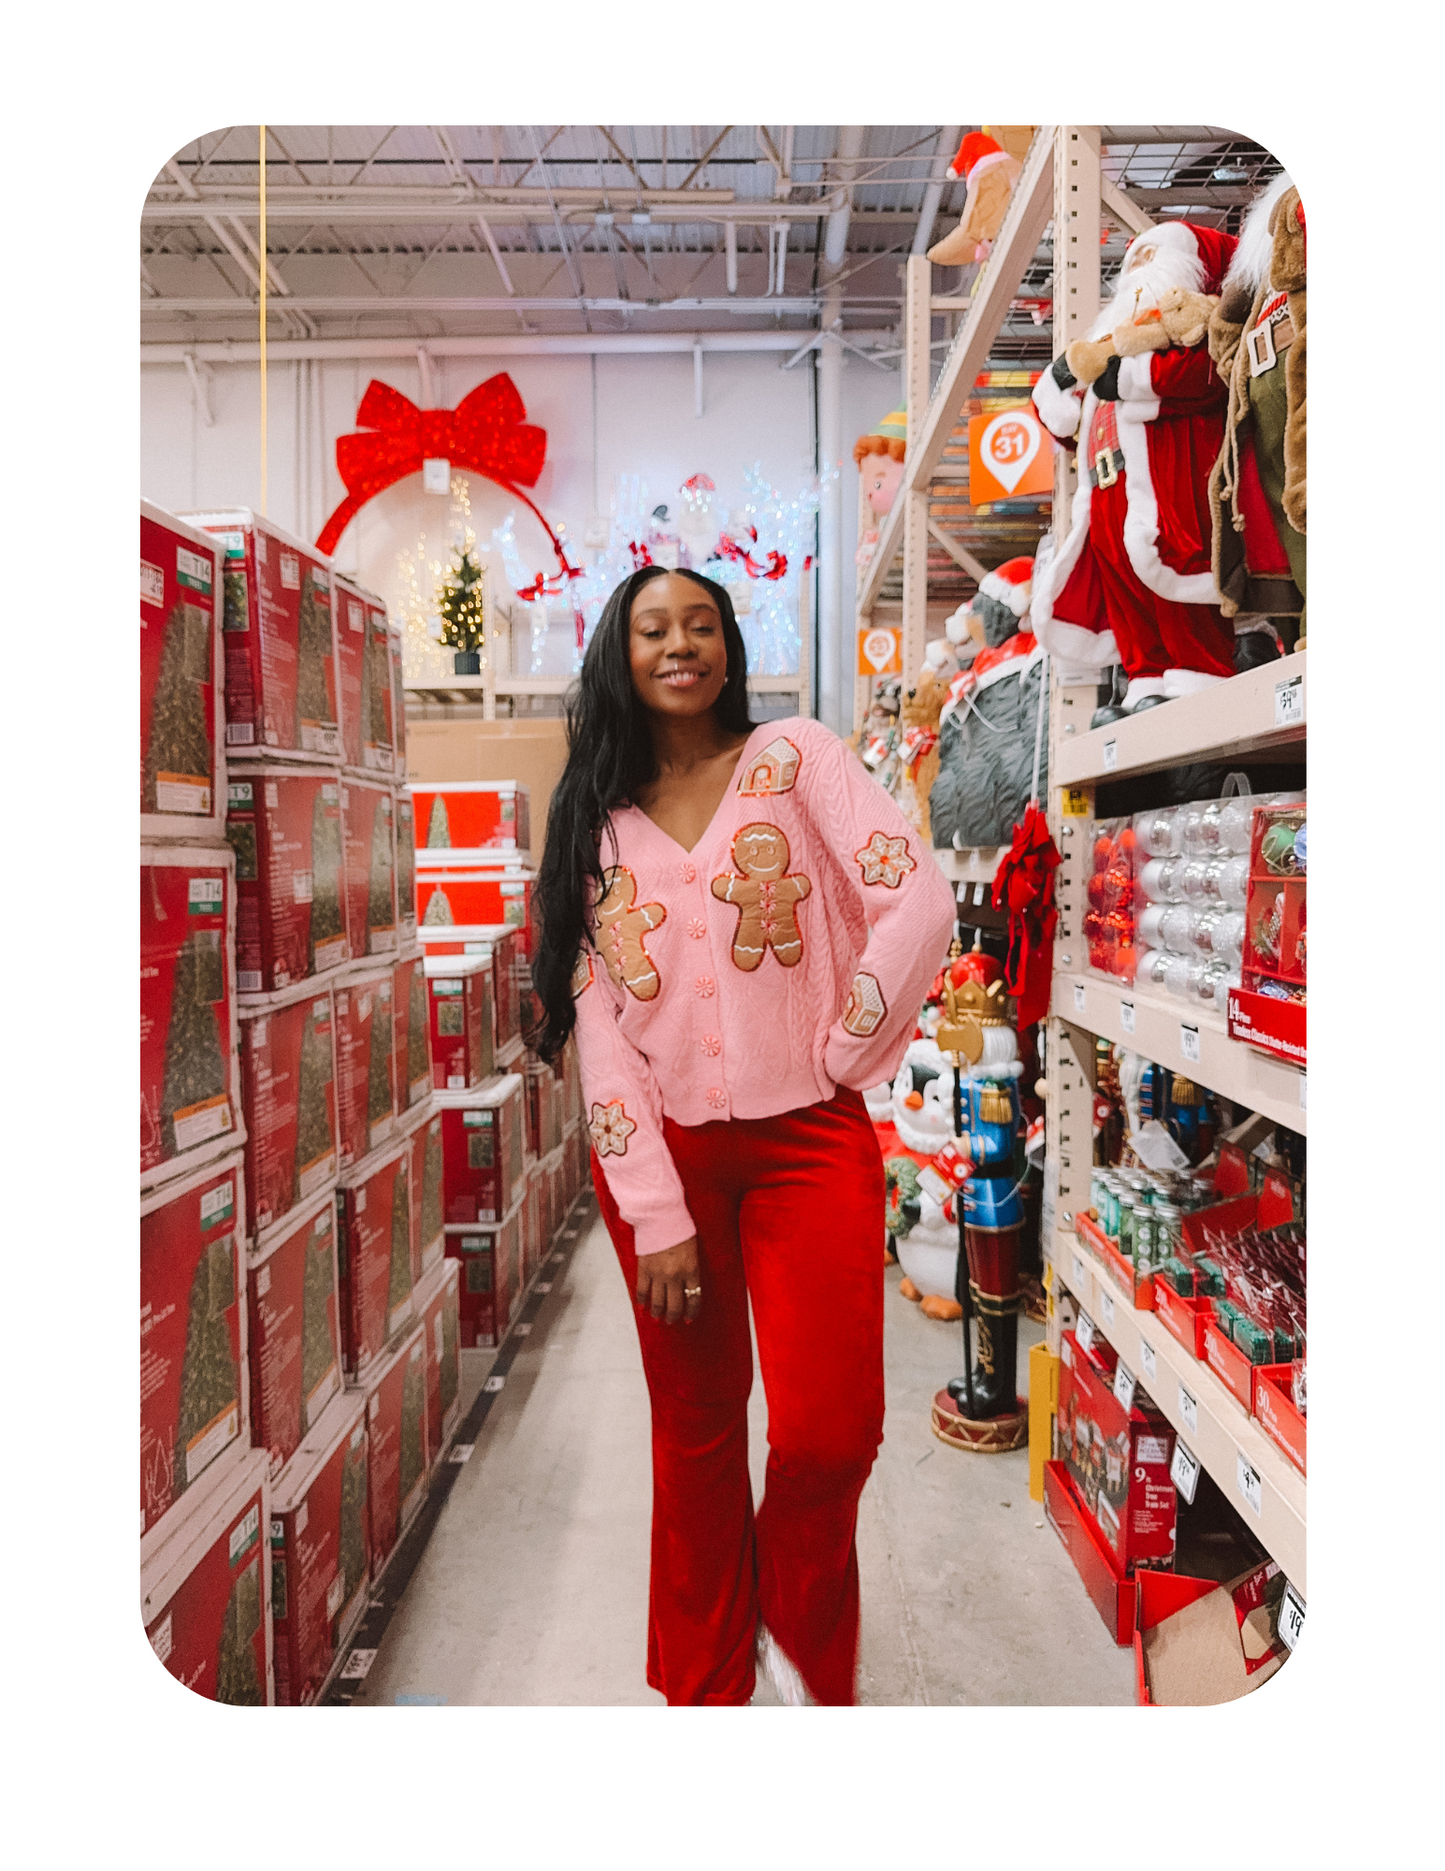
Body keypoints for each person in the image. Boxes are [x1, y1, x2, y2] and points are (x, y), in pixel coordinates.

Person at [531, 565, 956, 1706]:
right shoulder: (595, 821)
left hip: (809, 1146)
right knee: (699, 1434)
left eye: (700, 625)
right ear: (618, 655)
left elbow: (913, 892)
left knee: (829, 1431)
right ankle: (706, 1690)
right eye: (653, 628)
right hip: (661, 1167)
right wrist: (651, 1210)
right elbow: (600, 1031)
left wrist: (849, 1046)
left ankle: (795, 1643)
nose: (680, 645)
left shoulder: (796, 761)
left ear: (729, 644)